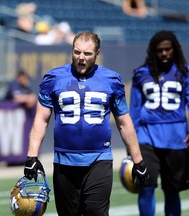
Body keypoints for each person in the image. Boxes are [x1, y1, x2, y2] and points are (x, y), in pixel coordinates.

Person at [23, 32, 148, 216]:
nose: (81, 58)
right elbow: (41, 119)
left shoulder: (111, 80)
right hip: (64, 160)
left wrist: (138, 160)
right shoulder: (54, 78)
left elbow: (124, 122)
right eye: (77, 52)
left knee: (96, 213)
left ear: (97, 54)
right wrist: (31, 157)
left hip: (99, 158)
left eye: (87, 54)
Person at [130, 30, 189, 216]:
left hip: (176, 138)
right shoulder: (141, 74)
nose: (164, 53)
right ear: (153, 51)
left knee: (172, 189)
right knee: (145, 186)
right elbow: (134, 110)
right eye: (159, 50)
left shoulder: (184, 73)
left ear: (175, 50)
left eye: (168, 49)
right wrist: (131, 143)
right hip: (146, 137)